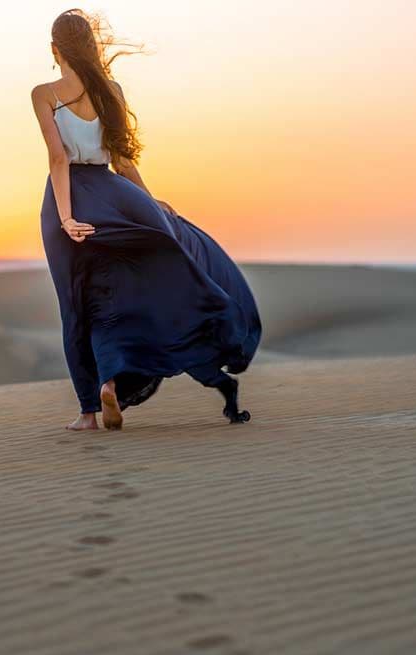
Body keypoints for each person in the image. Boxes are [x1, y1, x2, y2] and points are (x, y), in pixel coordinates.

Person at [31, 9, 262, 431]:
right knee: (124, 293)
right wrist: (148, 202)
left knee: (78, 303)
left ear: (54, 49)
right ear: (91, 48)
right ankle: (115, 382)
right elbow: (122, 159)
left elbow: (58, 157)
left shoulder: (44, 93)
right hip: (115, 195)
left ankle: (89, 411)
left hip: (68, 199)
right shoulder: (110, 90)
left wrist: (66, 217)